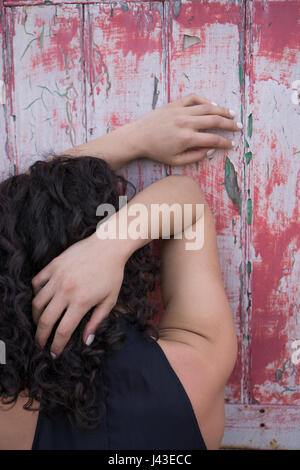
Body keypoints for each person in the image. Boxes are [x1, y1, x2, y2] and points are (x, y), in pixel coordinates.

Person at [0, 94, 239, 450]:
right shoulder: (197, 371)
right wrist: (109, 244)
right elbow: (188, 203)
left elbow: (9, 215)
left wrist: (132, 139)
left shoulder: (9, 419)